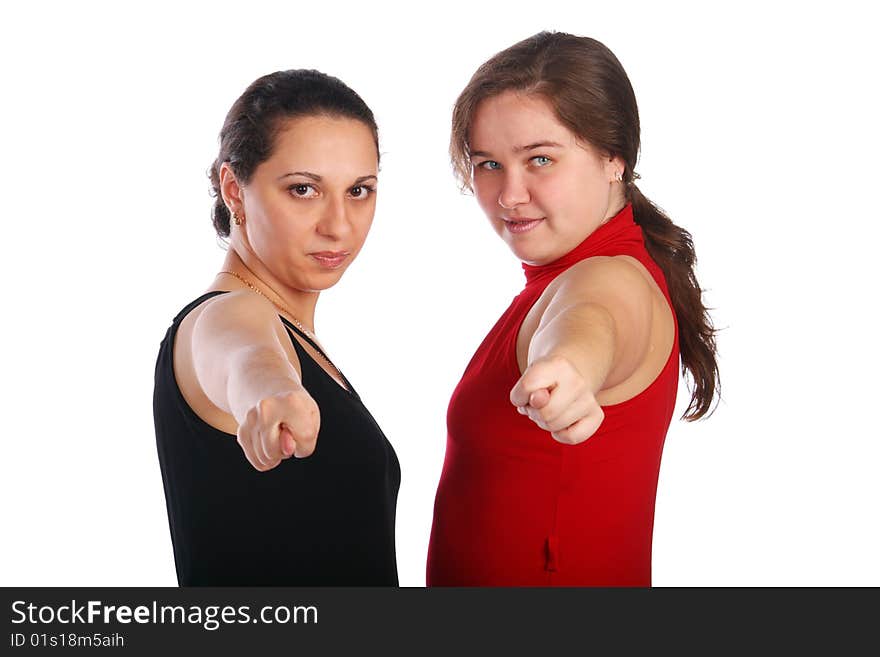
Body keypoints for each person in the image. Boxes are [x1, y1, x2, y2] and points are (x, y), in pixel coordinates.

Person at [427, 32, 720, 586]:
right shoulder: (570, 275)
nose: (510, 194)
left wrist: (571, 367)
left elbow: (591, 320)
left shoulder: (609, 278)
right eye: (488, 164)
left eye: (540, 159)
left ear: (614, 159)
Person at [153, 69, 399, 586]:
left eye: (359, 190)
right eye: (303, 189)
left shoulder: (301, 339)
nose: (339, 224)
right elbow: (243, 353)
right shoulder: (224, 314)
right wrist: (271, 389)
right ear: (233, 189)